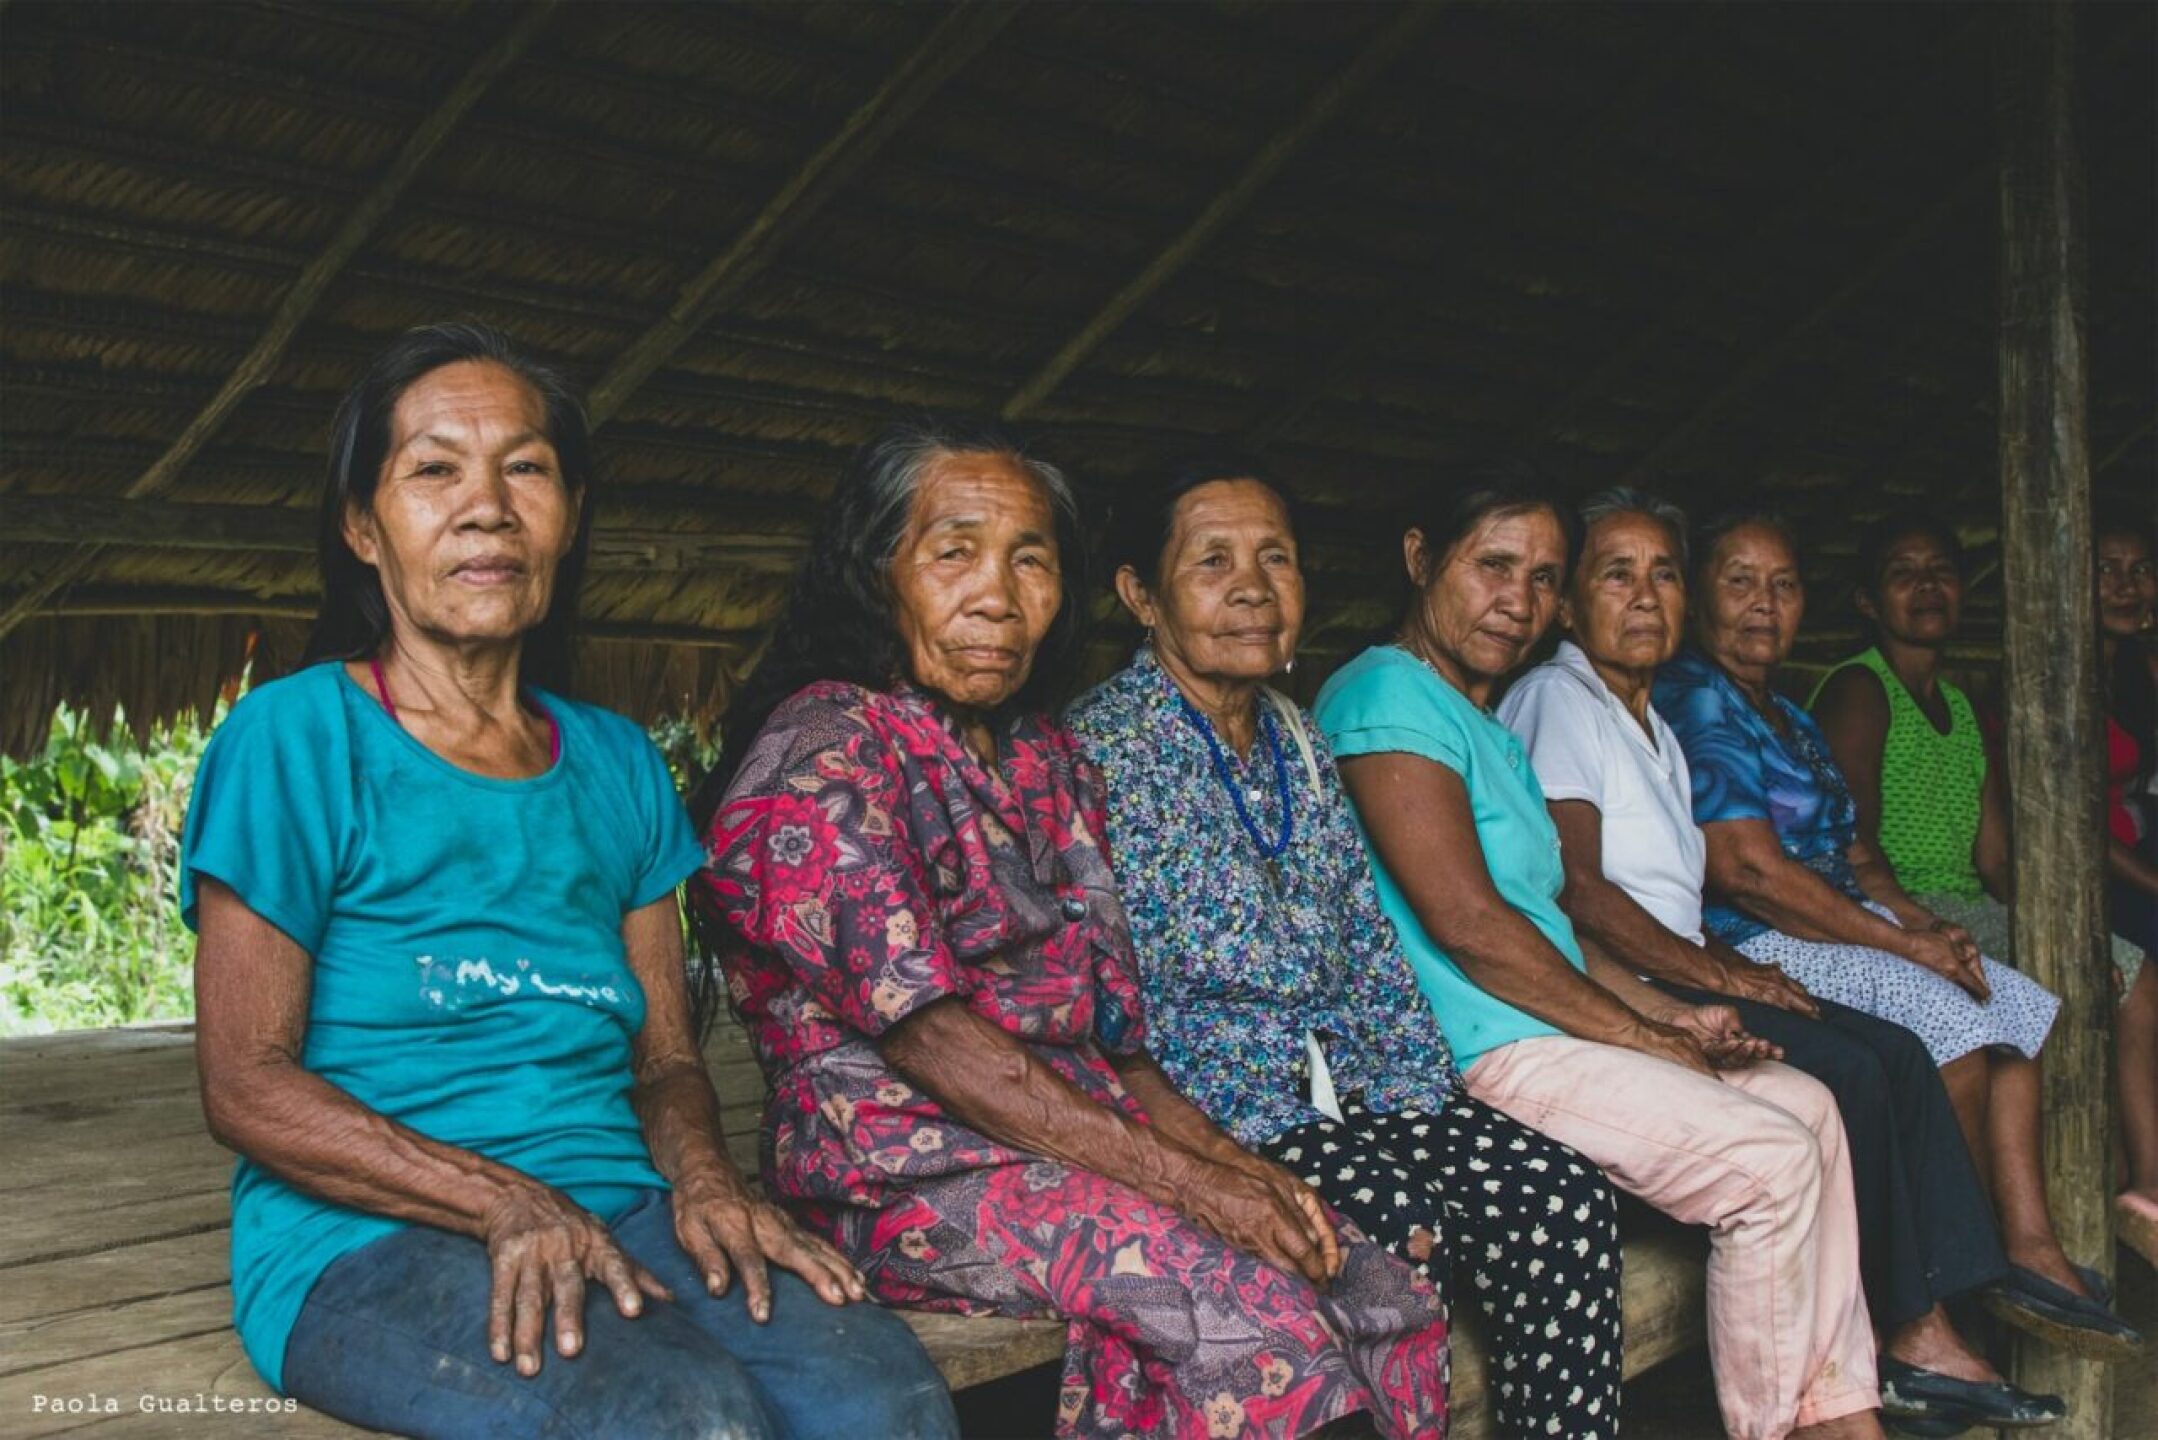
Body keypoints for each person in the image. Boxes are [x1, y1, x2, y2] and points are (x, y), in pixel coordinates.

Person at [179, 323, 956, 1440]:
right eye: (434, 469)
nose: (486, 505)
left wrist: (704, 1181)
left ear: (569, 516)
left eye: (526, 469)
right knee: (687, 1420)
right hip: (362, 1239)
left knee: (887, 1401)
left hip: (625, 1208)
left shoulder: (618, 761)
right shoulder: (292, 740)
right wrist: (502, 1199)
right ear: (363, 526)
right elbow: (246, 1084)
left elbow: (669, 1060)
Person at [689, 418, 1447, 1440]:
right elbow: (936, 1040)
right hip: (904, 1178)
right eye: (954, 553)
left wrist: (1243, 1173)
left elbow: (1117, 1048)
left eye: (1030, 560)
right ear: (880, 572)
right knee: (1247, 1322)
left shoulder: (1042, 757)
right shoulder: (824, 754)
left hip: (1082, 1146)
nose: (997, 596)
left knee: (1371, 1283)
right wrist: (1190, 1188)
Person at [1315, 463, 1883, 1440]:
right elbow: (1470, 928)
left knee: (1811, 1109)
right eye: (1492, 566)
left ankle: (1839, 1417)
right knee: (1768, 1161)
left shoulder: (1483, 723)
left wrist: (1672, 1016)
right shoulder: (1383, 694)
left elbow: (1550, 921)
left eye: (1541, 578)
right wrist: (1637, 1034)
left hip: (1554, 1023)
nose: (1518, 601)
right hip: (1483, 1047)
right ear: (1419, 559)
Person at [1068, 458, 1625, 1438]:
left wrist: (1412, 1093)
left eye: (1274, 559)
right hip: (1214, 1106)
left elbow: (1366, 939)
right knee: (1396, 1221)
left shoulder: (1296, 735)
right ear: (1139, 594)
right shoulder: (1099, 751)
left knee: (1561, 1196)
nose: (1252, 587)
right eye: (1212, 562)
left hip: (1351, 1084)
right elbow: (1124, 993)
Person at [1501, 489, 2061, 1430]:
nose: (1646, 596)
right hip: (1627, 981)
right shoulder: (1560, 699)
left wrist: (1740, 966)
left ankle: (1930, 1324)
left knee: (1885, 1050)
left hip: (1682, 960)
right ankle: (1914, 1331)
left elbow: (1679, 896)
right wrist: (1722, 974)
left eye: (1663, 573)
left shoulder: (1642, 715)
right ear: (1567, 604)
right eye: (1617, 574)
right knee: (1850, 1063)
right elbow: (1584, 891)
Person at [1654, 510, 2141, 1360]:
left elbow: (1856, 850)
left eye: (1783, 585)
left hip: (1838, 922)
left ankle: (2025, 1248)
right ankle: (1951, 1280)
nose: (1764, 605)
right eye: (1740, 583)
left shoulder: (1785, 714)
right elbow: (1749, 873)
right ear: (1699, 599)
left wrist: (1929, 927)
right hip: (1757, 936)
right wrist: (1902, 949)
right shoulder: (1698, 699)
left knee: (2014, 1003)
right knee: (1946, 1028)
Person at [1811, 511, 2157, 1268]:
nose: (1928, 587)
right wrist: (1922, 929)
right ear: (1869, 600)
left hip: (1970, 906)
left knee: (2126, 971)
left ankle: (2142, 1190)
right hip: (1893, 913)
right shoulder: (1860, 692)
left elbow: (1997, 858)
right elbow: (1848, 844)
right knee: (2047, 1000)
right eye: (1904, 573)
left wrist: (2066, 938)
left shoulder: (1960, 707)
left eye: (1941, 570)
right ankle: (2010, 1238)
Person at [2094, 512, 2158, 1263]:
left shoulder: (2139, 673)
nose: (2124, 585)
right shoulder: (2049, 675)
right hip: (2093, 874)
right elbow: (2072, 825)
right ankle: (2147, 1182)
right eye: (2107, 567)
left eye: (2139, 569)